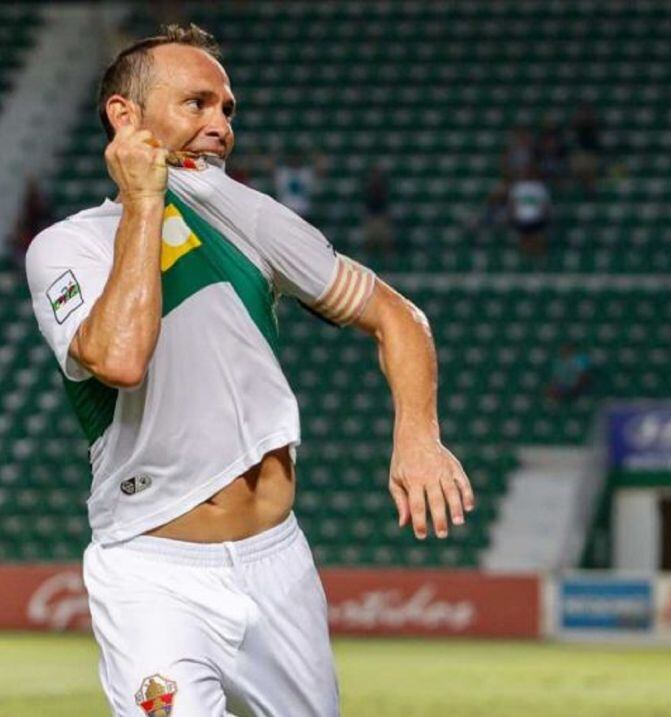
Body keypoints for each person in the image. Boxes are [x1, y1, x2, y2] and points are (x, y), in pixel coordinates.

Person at [25, 24, 474, 717]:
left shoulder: (253, 221)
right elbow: (119, 357)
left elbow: (397, 317)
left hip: (278, 563)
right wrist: (146, 202)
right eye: (197, 104)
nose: (220, 125)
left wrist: (418, 434)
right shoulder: (67, 246)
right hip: (154, 573)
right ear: (125, 116)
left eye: (227, 109)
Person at [508, 166, 551, 257]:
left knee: (538, 238)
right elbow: (512, 203)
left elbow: (545, 204)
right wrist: (514, 216)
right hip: (521, 218)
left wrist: (543, 216)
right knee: (524, 238)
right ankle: (525, 258)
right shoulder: (517, 187)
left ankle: (539, 257)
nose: (526, 174)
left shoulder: (539, 187)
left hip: (537, 218)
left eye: (529, 171)